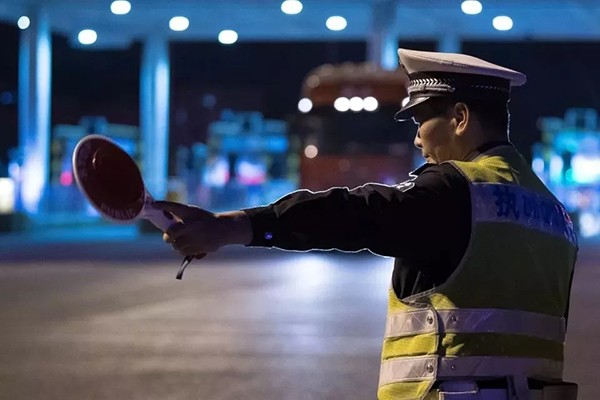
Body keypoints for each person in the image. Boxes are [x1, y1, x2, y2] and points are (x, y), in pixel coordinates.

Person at [152, 49, 579, 400]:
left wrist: (235, 226)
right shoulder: (554, 214)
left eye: (421, 122)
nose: (417, 139)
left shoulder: (456, 190)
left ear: (460, 118)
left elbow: (356, 213)